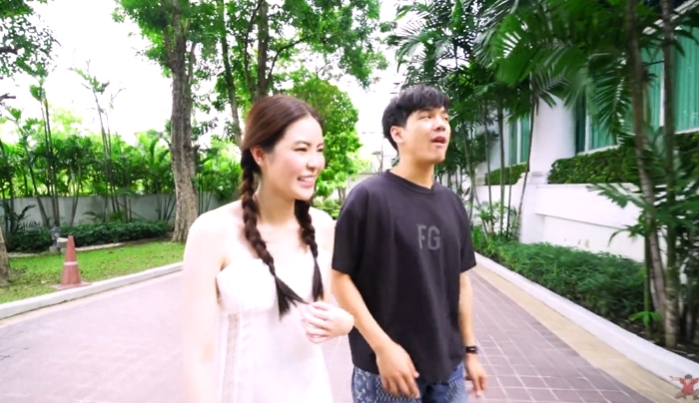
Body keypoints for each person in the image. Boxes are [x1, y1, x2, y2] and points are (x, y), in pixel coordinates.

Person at [182, 94, 354, 403]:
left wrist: (345, 322)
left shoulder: (322, 226)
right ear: (260, 153)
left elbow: (321, 307)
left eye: (319, 150)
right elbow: (199, 353)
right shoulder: (212, 231)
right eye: (301, 149)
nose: (314, 162)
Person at [331, 84, 487, 403]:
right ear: (397, 133)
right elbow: (340, 278)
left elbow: (461, 281)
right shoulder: (368, 198)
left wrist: (469, 351)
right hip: (387, 375)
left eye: (444, 117)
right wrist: (382, 347)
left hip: (450, 372)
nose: (440, 124)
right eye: (426, 117)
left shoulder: (452, 203)